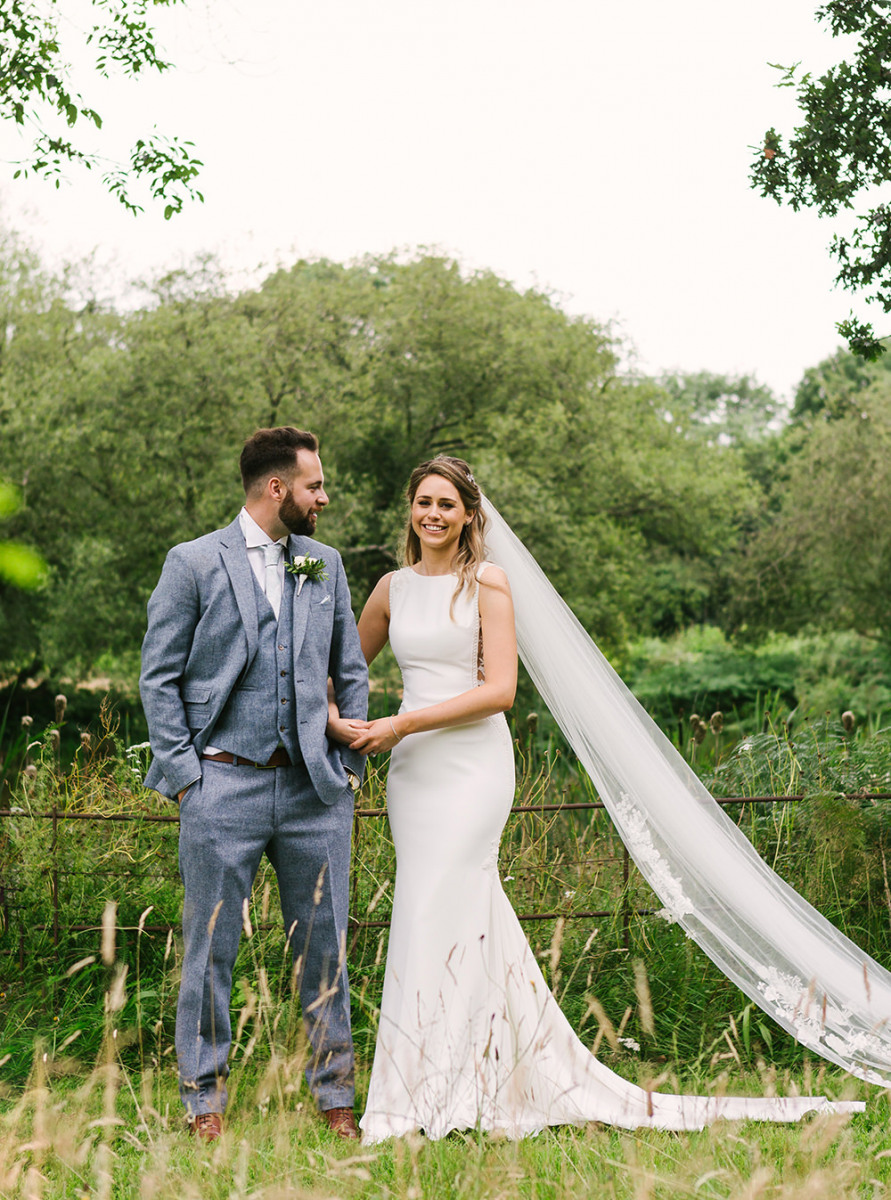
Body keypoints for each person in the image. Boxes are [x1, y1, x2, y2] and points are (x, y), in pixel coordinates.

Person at [328, 455, 865, 1143]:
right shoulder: (390, 589)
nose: (432, 514)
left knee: (442, 898)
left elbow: (499, 691)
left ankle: (446, 1089)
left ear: (468, 516)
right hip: (414, 777)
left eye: (446, 504)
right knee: (433, 911)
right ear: (410, 509)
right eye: (422, 502)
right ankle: (457, 1077)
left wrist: (400, 721)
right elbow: (340, 668)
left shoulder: (487, 583)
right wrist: (336, 719)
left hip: (469, 768)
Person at [140, 426, 368, 1142]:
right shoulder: (192, 562)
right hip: (222, 787)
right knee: (210, 951)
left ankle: (335, 1096)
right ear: (278, 489)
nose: (323, 498)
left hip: (313, 794)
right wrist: (186, 781)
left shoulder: (324, 564)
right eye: (314, 486)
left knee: (324, 947)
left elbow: (351, 671)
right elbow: (159, 677)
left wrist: (348, 769)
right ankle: (202, 1102)